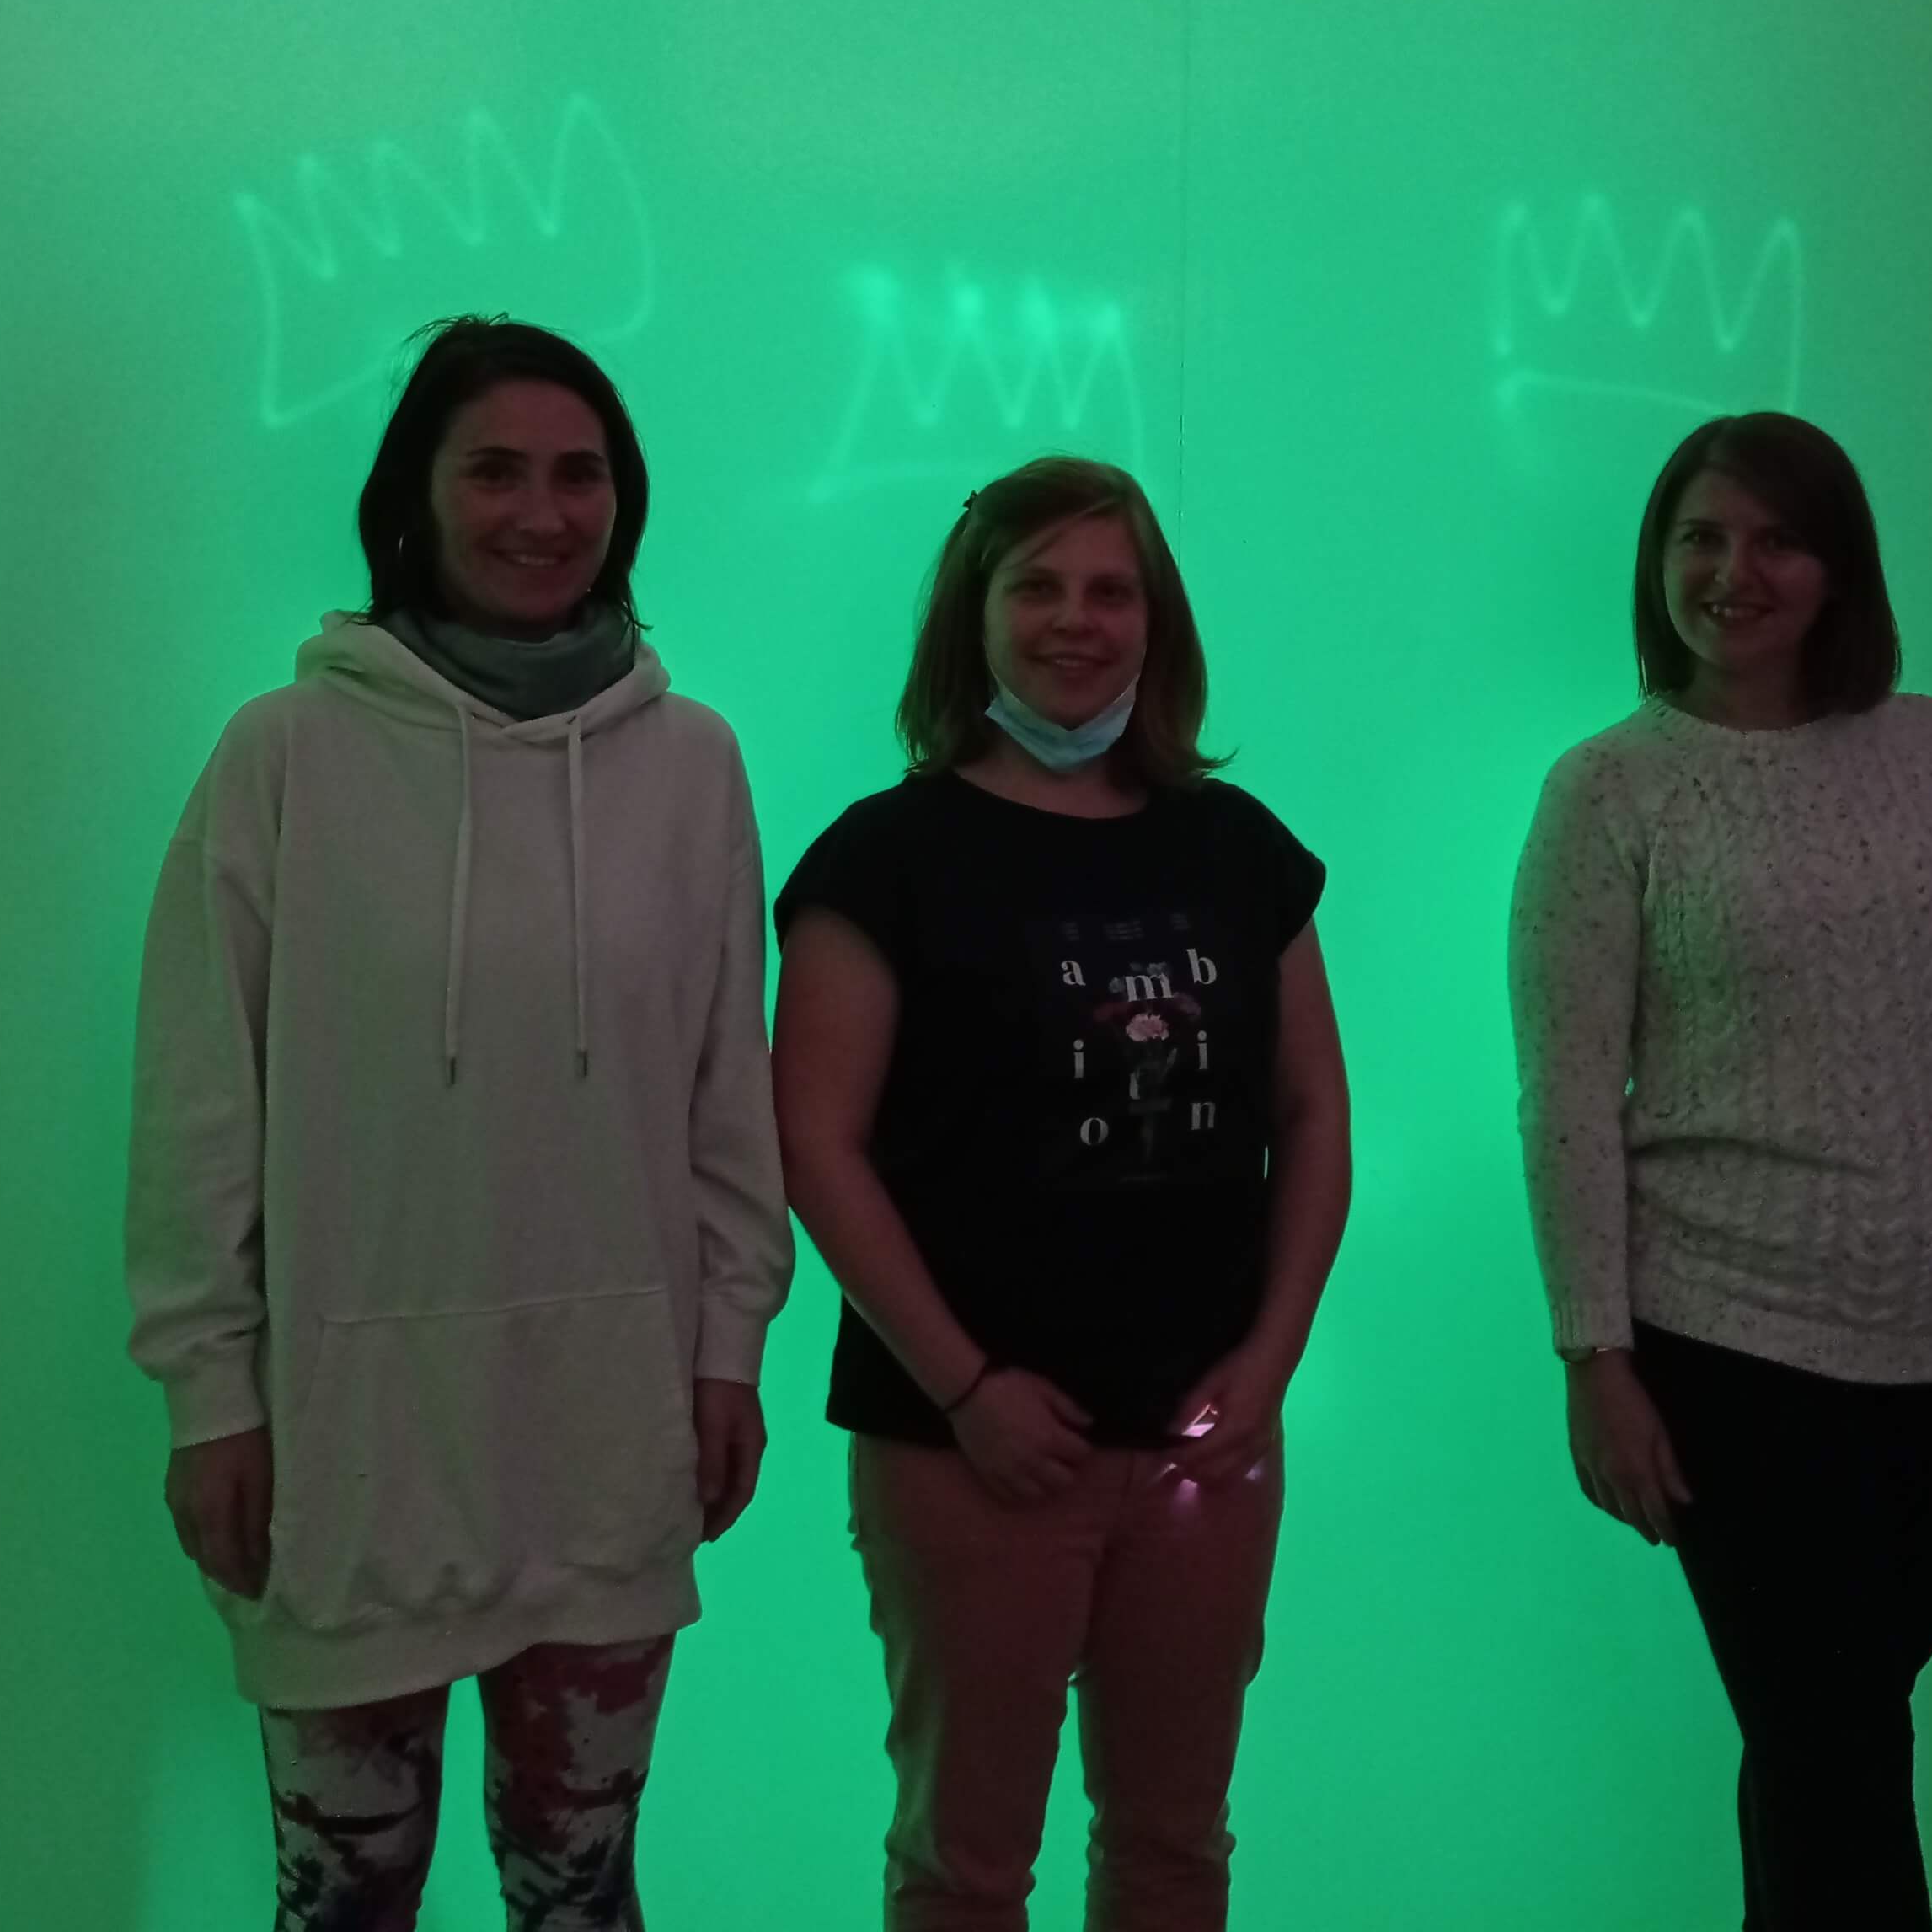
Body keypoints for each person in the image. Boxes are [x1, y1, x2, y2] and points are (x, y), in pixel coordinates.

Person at [126, 317, 793, 1932]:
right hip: (350, 1437)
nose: (541, 513)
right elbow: (199, 1100)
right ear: (413, 497)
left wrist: (729, 1353)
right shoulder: (284, 754)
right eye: (494, 470)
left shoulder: (693, 764)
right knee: (343, 1902)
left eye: (580, 475)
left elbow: (726, 1093)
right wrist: (209, 1393)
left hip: (609, 1425)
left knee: (582, 1893)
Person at [1508, 411, 1932, 1932]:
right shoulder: (1609, 792)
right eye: (1700, 538)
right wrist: (1594, 1357)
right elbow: (1567, 1099)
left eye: (1777, 539)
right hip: (1735, 1346)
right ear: (1657, 564)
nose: (1735, 572)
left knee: (1831, 1737)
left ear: (1841, 567)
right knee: (1831, 1742)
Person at [772, 456, 1352, 1932]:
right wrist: (966, 1388)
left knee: (1174, 1849)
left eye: (1111, 590)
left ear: (1158, 622)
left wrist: (1270, 1365)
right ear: (973, 615)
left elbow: (1314, 1117)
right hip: (966, 1453)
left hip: (1204, 1452)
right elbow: (815, 1146)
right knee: (966, 1869)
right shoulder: (881, 860)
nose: (1074, 620)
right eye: (1036, 586)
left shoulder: (1240, 849)